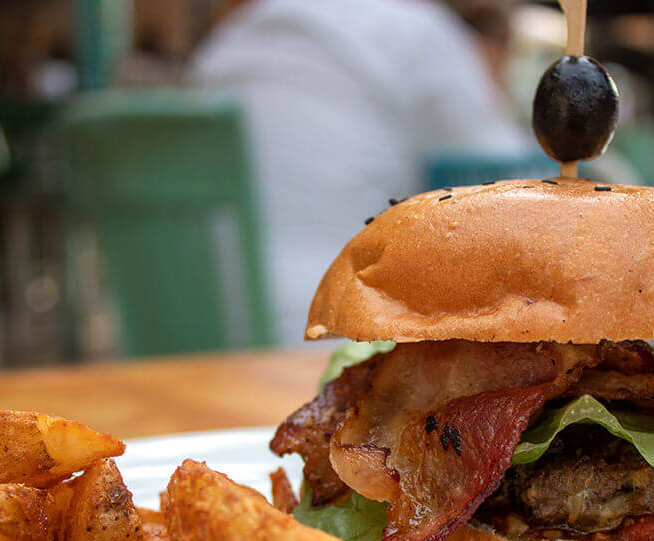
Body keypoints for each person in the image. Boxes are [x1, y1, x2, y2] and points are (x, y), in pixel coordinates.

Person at [190, 0, 531, 346]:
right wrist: (494, 86)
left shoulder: (230, 39)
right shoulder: (418, 33)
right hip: (324, 332)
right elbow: (510, 172)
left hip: (193, 322)